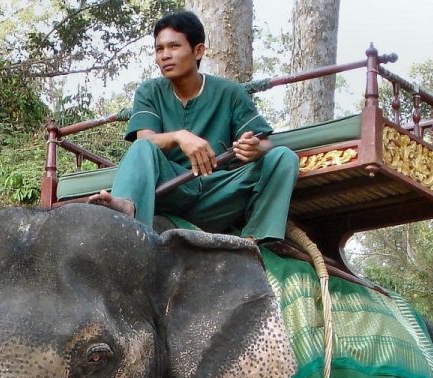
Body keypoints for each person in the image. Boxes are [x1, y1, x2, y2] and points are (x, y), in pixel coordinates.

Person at [89, 10, 298, 242]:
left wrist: (256, 148)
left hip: (219, 191)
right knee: (141, 147)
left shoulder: (231, 93)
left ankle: (256, 239)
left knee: (283, 157)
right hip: (171, 190)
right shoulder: (149, 91)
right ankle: (128, 206)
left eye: (174, 47)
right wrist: (180, 136)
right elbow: (145, 138)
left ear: (198, 50)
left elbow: (266, 142)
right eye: (159, 49)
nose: (165, 56)